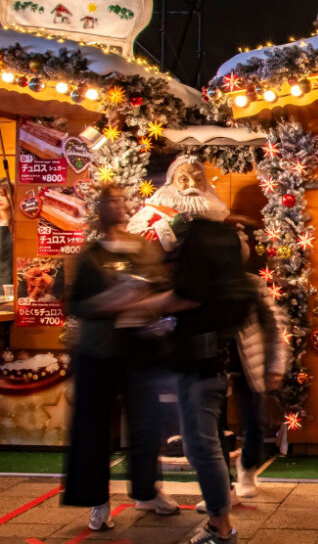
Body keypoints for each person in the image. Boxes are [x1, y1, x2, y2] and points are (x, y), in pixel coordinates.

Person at [121, 218, 257, 544]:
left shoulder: (201, 273)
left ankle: (221, 529)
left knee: (202, 446)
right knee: (201, 446)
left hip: (200, 371)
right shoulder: (227, 277)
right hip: (206, 367)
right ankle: (219, 524)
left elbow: (184, 298)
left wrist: (135, 305)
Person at [63, 185, 179, 532]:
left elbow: (160, 288)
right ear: (99, 209)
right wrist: (109, 302)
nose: (115, 205)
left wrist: (154, 311)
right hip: (98, 352)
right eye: (107, 201)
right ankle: (98, 500)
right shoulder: (89, 256)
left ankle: (147, 490)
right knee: (94, 427)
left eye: (118, 199)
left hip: (140, 349)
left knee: (146, 424)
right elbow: (77, 304)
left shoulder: (143, 248)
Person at [226, 227, 288, 501]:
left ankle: (247, 468)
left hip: (249, 364)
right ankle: (222, 485)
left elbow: (275, 325)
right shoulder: (205, 284)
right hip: (212, 365)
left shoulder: (253, 284)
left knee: (254, 422)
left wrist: (276, 363)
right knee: (212, 428)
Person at [127, 155, 230, 251]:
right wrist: (169, 231)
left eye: (198, 179)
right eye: (184, 179)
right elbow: (136, 245)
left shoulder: (218, 215)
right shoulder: (152, 213)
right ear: (171, 183)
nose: (193, 184)